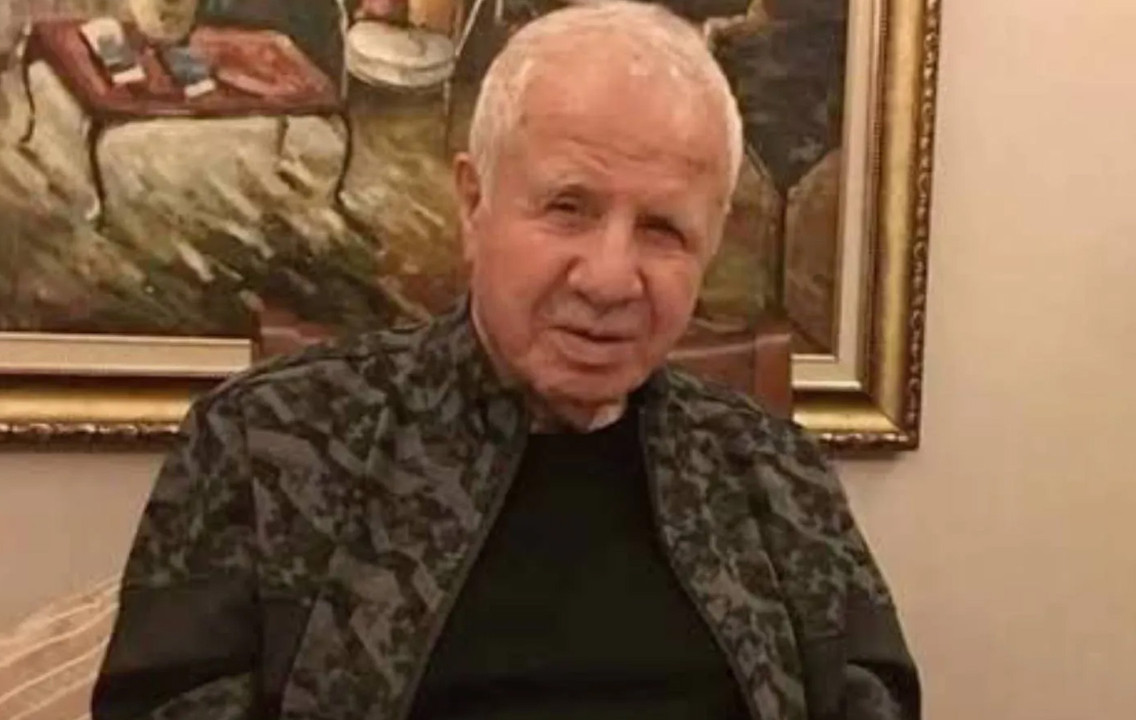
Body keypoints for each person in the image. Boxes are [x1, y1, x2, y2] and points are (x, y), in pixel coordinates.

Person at [90, 2, 919, 718]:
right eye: (568, 207)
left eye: (663, 229)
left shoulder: (777, 475)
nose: (609, 279)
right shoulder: (264, 445)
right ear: (473, 202)